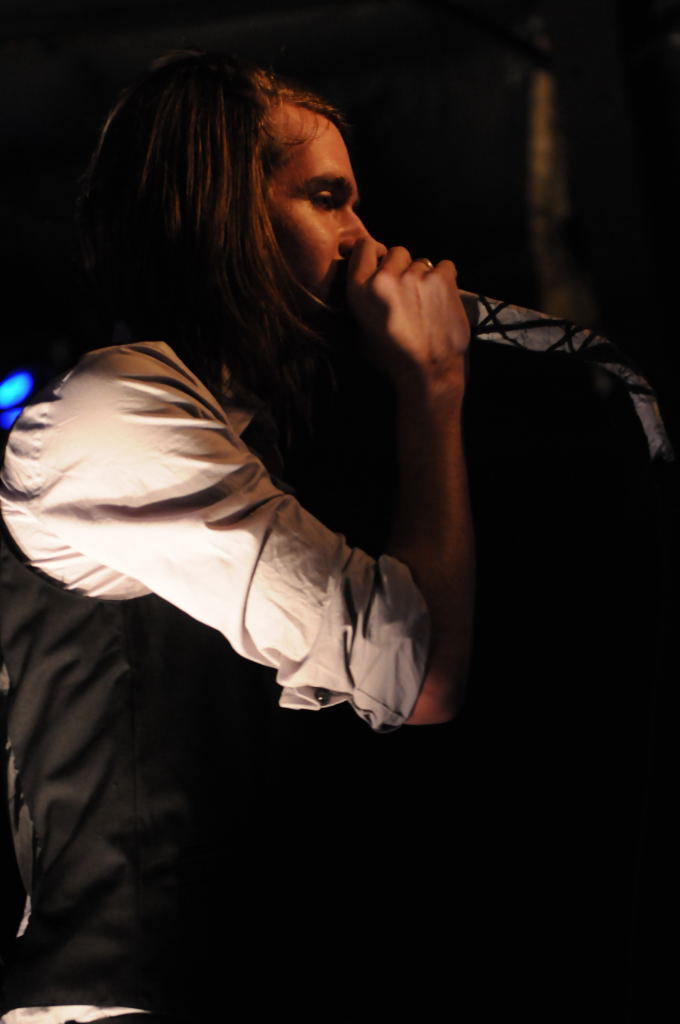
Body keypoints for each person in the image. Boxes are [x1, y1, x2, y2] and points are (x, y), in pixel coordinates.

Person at [0, 51, 475, 1022]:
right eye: (326, 198)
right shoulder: (115, 411)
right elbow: (420, 672)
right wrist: (431, 387)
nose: (362, 237)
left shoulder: (235, 435)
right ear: (226, 213)